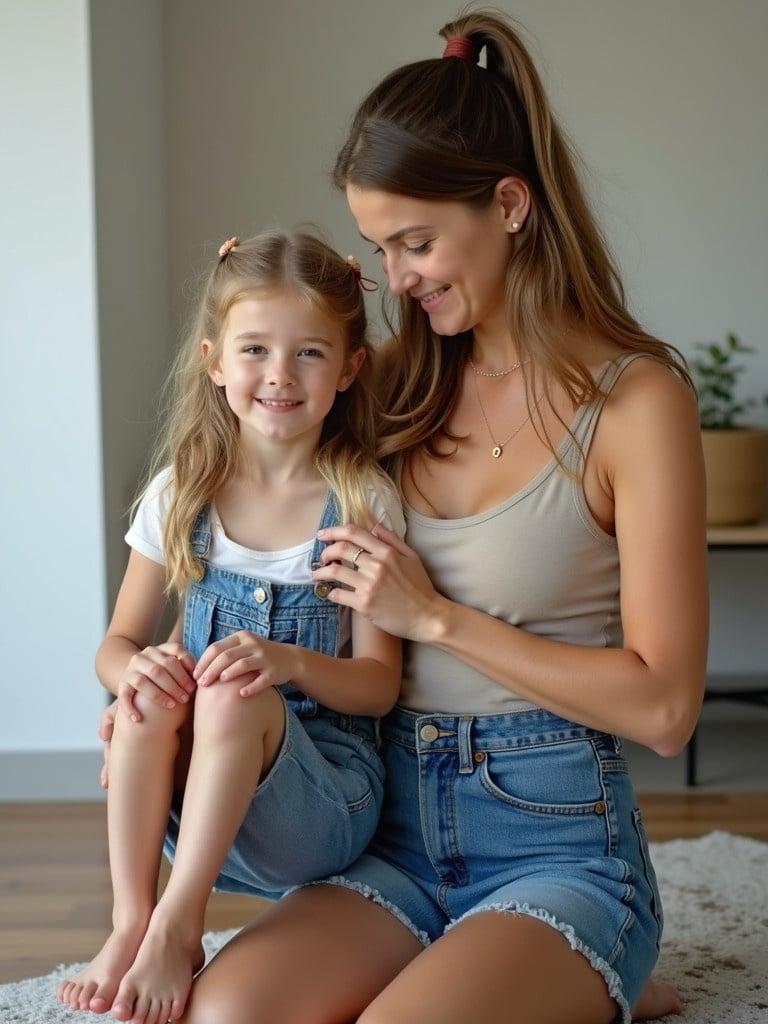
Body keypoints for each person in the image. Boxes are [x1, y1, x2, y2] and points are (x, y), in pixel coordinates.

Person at [106, 11, 707, 1024]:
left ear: (510, 205)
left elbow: (665, 707)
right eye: (381, 247)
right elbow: (252, 405)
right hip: (390, 827)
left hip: (555, 834)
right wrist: (154, 681)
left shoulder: (636, 404)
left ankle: (575, 960)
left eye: (417, 241)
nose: (397, 278)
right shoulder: (388, 383)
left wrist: (436, 620)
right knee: (225, 1015)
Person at [56, 231, 405, 1024]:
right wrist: (130, 674)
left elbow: (380, 686)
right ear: (215, 361)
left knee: (234, 690)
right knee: (153, 688)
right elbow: (115, 644)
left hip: (321, 805)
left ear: (349, 369)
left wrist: (287, 661)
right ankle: (134, 919)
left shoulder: (360, 504)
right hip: (199, 804)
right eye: (255, 349)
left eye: (310, 353)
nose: (280, 375)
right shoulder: (183, 494)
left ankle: (181, 929)